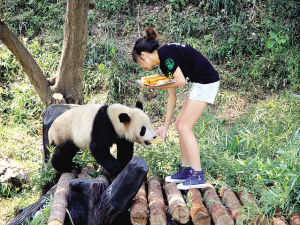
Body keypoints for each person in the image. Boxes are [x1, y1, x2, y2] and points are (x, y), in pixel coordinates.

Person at [132, 27, 220, 190]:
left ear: (143, 55)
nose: (142, 67)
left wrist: (155, 85)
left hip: (206, 82)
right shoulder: (164, 64)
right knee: (179, 125)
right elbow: (172, 98)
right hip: (200, 83)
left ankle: (197, 174)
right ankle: (186, 170)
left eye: (140, 63)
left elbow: (180, 81)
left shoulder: (166, 55)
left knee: (185, 127)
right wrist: (165, 127)